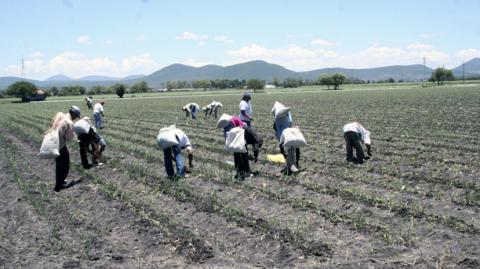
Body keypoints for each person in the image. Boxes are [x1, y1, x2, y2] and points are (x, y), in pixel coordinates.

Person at [48, 106, 81, 192]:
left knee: (59, 164)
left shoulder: (61, 116)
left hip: (53, 142)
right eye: (76, 116)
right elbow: (68, 138)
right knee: (65, 164)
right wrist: (74, 136)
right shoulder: (69, 122)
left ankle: (59, 182)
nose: (75, 119)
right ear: (73, 114)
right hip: (60, 145)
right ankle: (60, 185)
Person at [273, 110, 301, 174]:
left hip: (284, 136)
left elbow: (276, 127)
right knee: (291, 150)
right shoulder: (285, 114)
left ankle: (291, 166)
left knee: (288, 151)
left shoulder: (277, 118)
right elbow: (290, 122)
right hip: (288, 135)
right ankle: (293, 166)